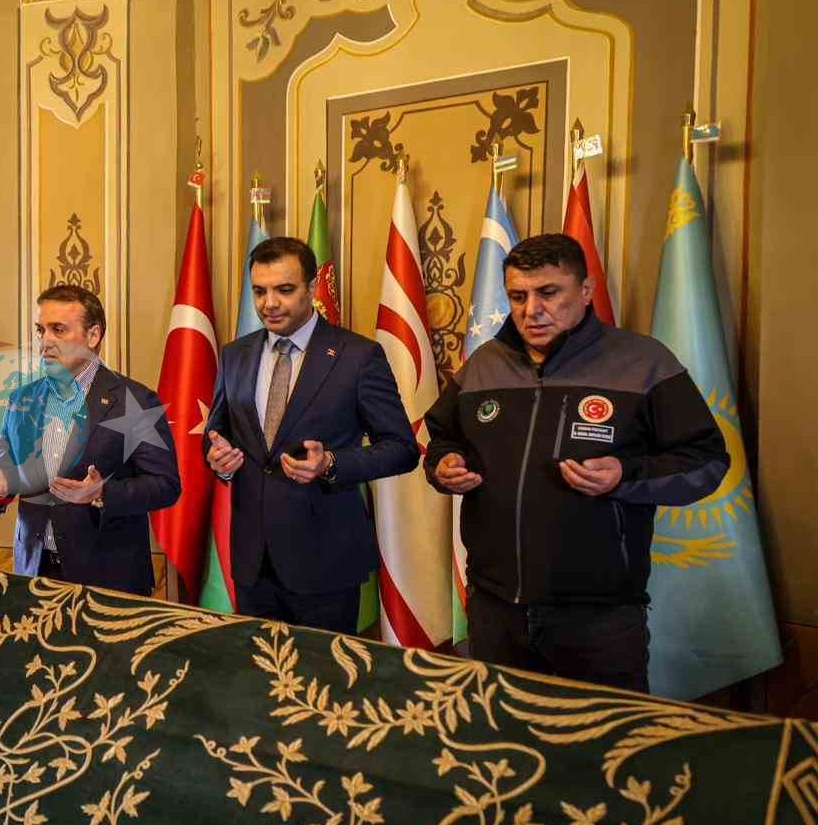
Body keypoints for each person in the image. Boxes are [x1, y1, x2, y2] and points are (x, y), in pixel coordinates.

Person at [423, 233, 727, 693]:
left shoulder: (644, 361)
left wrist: (626, 476)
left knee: (604, 735)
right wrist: (445, 464)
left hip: (599, 617)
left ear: (585, 291)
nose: (531, 310)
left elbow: (706, 461)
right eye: (518, 296)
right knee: (501, 731)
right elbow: (443, 438)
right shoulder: (484, 363)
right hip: (495, 607)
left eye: (549, 293)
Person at [203, 237, 418, 631]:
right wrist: (219, 459)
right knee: (254, 668)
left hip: (325, 563)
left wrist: (331, 463)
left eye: (284, 290)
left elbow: (402, 449)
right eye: (259, 291)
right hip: (253, 562)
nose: (269, 303)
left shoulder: (357, 356)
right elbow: (218, 432)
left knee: (323, 670)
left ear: (312, 287)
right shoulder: (235, 354)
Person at [0, 284, 180, 594]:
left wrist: (101, 493)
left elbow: (165, 485)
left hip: (109, 578)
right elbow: (5, 474)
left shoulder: (134, 400)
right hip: (33, 573)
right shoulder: (21, 400)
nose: (45, 341)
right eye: (41, 330)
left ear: (93, 336)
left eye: (58, 330)